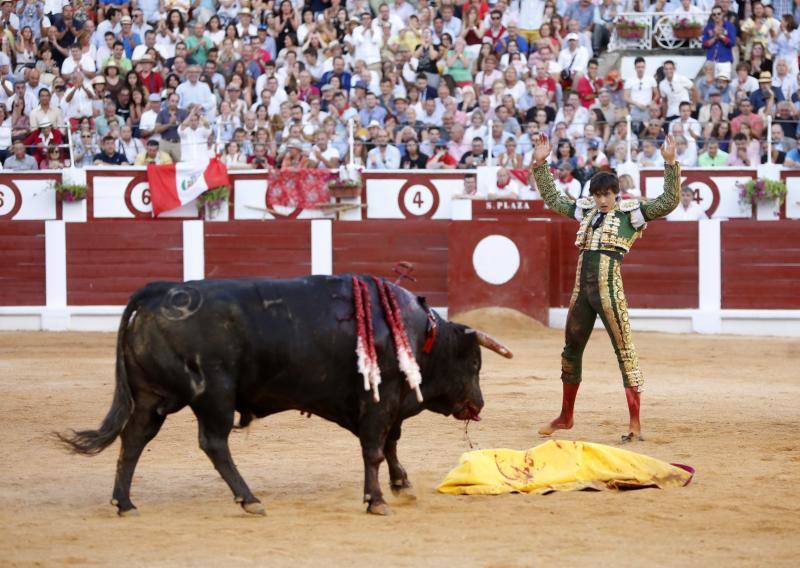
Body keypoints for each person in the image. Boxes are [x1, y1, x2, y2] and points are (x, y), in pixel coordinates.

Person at [529, 133, 680, 442]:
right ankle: (566, 416)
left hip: (610, 291)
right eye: (597, 195)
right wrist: (541, 164)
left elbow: (668, 202)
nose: (601, 200)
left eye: (606, 195)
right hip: (581, 293)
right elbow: (555, 200)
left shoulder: (631, 215)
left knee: (624, 351)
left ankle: (635, 424)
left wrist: (670, 164)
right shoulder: (585, 211)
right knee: (570, 350)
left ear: (616, 194)